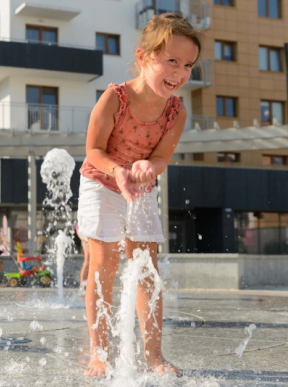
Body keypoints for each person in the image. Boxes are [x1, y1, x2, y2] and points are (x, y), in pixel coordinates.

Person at [77, 13, 201, 378]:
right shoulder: (115, 98)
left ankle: (154, 356)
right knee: (104, 264)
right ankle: (98, 353)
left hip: (141, 187)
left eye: (189, 64)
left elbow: (162, 157)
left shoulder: (176, 111)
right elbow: (93, 151)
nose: (180, 72)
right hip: (101, 180)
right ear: (144, 56)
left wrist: (150, 167)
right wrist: (121, 171)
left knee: (147, 268)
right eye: (172, 60)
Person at [76, 223, 90, 294]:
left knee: (89, 258)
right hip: (86, 226)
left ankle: (84, 286)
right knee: (88, 258)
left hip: (84, 226)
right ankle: (83, 287)